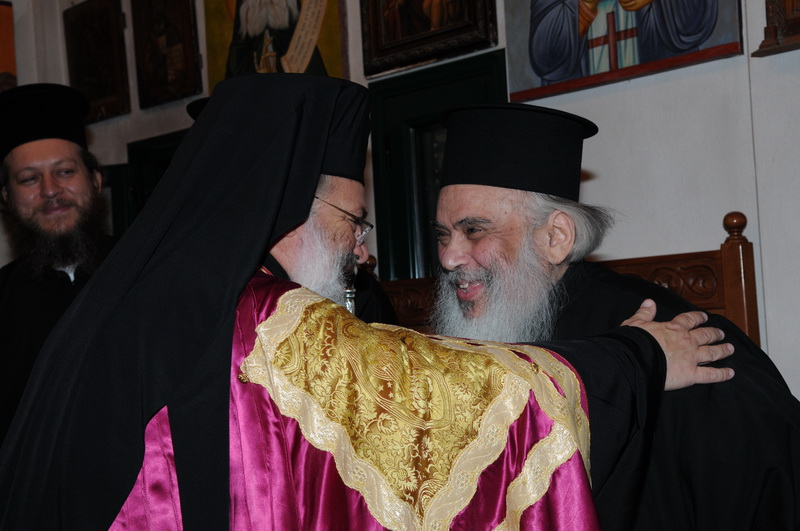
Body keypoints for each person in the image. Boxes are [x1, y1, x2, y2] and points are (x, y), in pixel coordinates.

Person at [0, 74, 731, 530]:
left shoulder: (154, 296)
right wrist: (638, 357)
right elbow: (451, 402)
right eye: (352, 220)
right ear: (286, 209)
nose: (361, 248)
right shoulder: (262, 319)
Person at [431, 102, 800, 530]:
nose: (449, 258)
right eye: (443, 235)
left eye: (474, 231)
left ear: (556, 237)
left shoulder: (672, 337)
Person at [0, 83, 113, 441]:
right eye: (29, 179)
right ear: (7, 198)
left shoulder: (149, 273)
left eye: (64, 172)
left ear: (95, 181)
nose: (50, 190)